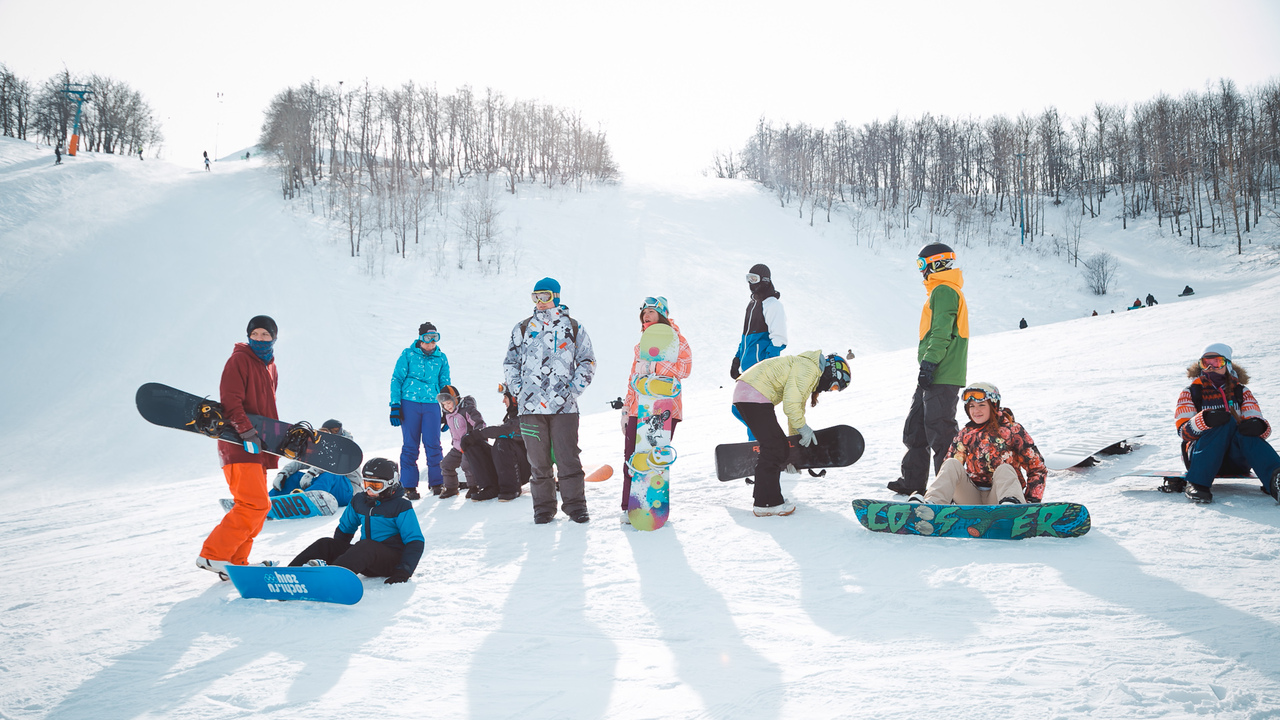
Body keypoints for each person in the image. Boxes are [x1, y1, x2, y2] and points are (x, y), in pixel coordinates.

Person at [503, 277, 597, 524]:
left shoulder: (573, 327)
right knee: (538, 461)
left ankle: (576, 507)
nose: (540, 301)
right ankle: (543, 509)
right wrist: (518, 390)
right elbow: (510, 363)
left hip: (564, 407)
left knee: (568, 458)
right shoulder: (522, 328)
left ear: (556, 296)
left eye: (544, 296)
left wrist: (573, 390)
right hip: (530, 407)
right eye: (535, 297)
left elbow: (587, 360)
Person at [197, 315, 280, 580]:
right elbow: (230, 401)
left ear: (274, 337)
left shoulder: (270, 367)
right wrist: (245, 431)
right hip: (238, 442)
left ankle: (235, 562)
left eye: (264, 334)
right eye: (254, 334)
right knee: (253, 504)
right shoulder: (239, 360)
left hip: (258, 446)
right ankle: (213, 554)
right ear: (248, 336)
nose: (259, 338)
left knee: (261, 505)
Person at [888, 243, 968, 497]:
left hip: (942, 372)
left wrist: (930, 362)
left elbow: (941, 332)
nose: (920, 271)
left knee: (940, 430)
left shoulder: (944, 290)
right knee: (916, 427)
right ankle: (913, 481)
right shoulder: (940, 290)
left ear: (936, 263)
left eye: (921, 264)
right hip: (932, 371)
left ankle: (950, 489)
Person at [732, 351, 851, 516]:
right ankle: (767, 504)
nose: (829, 390)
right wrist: (804, 429)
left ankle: (763, 497)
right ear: (832, 372)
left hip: (750, 394)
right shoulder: (809, 368)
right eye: (834, 386)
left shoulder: (808, 368)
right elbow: (791, 405)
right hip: (754, 394)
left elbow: (795, 411)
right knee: (774, 448)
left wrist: (793, 450)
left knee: (776, 447)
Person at [1172, 343, 1280, 504]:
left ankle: (1276, 481)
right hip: (1201, 458)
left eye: (1216, 362)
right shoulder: (1191, 393)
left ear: (1227, 364)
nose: (1210, 367)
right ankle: (1197, 483)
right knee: (1224, 423)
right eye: (1205, 363)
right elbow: (1184, 432)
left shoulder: (1241, 392)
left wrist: (1258, 426)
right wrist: (1204, 421)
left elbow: (1259, 424)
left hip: (1237, 460)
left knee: (1243, 430)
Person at [288, 458, 424, 584]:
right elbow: (345, 530)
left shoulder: (400, 505)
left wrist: (404, 571)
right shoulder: (359, 501)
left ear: (390, 484)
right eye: (367, 484)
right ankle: (290, 574)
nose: (369, 490)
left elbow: (415, 541)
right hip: (365, 558)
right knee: (325, 544)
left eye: (375, 486)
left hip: (391, 562)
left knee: (366, 545)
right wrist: (338, 554)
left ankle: (332, 579)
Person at [620, 297, 693, 521]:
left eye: (651, 311)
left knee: (655, 456)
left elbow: (685, 369)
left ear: (661, 314)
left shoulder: (678, 340)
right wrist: (625, 408)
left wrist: (653, 366)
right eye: (643, 312)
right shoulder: (641, 345)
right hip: (638, 408)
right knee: (633, 456)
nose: (646, 315)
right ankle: (629, 506)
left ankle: (653, 504)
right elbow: (634, 378)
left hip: (664, 407)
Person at [920, 382, 1046, 505]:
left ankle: (1011, 507)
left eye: (981, 405)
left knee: (1005, 468)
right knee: (951, 463)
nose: (976, 410)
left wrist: (1032, 500)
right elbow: (950, 472)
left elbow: (1037, 468)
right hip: (971, 497)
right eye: (971, 406)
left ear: (993, 405)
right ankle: (931, 505)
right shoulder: (965, 434)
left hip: (999, 497)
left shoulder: (1013, 430)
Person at [390, 322, 450, 499]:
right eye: (428, 339)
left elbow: (445, 385)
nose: (432, 343)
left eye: (435, 339)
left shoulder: (441, 358)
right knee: (410, 445)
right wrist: (395, 405)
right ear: (420, 339)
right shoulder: (408, 354)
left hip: (431, 404)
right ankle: (409, 486)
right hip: (410, 403)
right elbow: (397, 379)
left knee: (433, 444)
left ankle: (437, 483)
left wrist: (447, 411)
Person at [730, 264, 787, 439]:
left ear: (765, 280)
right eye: (748, 278)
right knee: (741, 408)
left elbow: (779, 339)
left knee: (751, 409)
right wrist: (737, 359)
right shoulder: (753, 304)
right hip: (748, 369)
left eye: (754, 279)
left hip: (761, 369)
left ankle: (767, 441)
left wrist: (767, 365)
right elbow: (746, 338)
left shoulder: (772, 305)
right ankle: (760, 442)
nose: (751, 283)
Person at [270, 419, 361, 506]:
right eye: (325, 432)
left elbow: (333, 463)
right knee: (295, 477)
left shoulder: (348, 449)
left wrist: (311, 473)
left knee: (330, 475)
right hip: (330, 488)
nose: (330, 434)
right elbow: (300, 462)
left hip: (349, 491)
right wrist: (284, 473)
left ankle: (306, 501)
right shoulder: (323, 449)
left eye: (334, 431)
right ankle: (269, 501)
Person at [478, 385, 532, 501]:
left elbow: (507, 430)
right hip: (514, 463)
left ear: (514, 399)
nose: (503, 401)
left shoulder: (526, 416)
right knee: (476, 444)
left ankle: (511, 488)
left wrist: (478, 433)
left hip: (526, 467)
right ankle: (490, 486)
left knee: (502, 442)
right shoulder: (512, 416)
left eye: (505, 398)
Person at [437, 385, 490, 499]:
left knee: (467, 465)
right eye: (444, 405)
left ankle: (474, 487)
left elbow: (479, 423)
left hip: (470, 445)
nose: (447, 407)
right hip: (457, 446)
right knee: (446, 464)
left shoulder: (467, 410)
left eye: (449, 403)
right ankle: (451, 488)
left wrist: (475, 437)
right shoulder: (448, 413)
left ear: (455, 399)